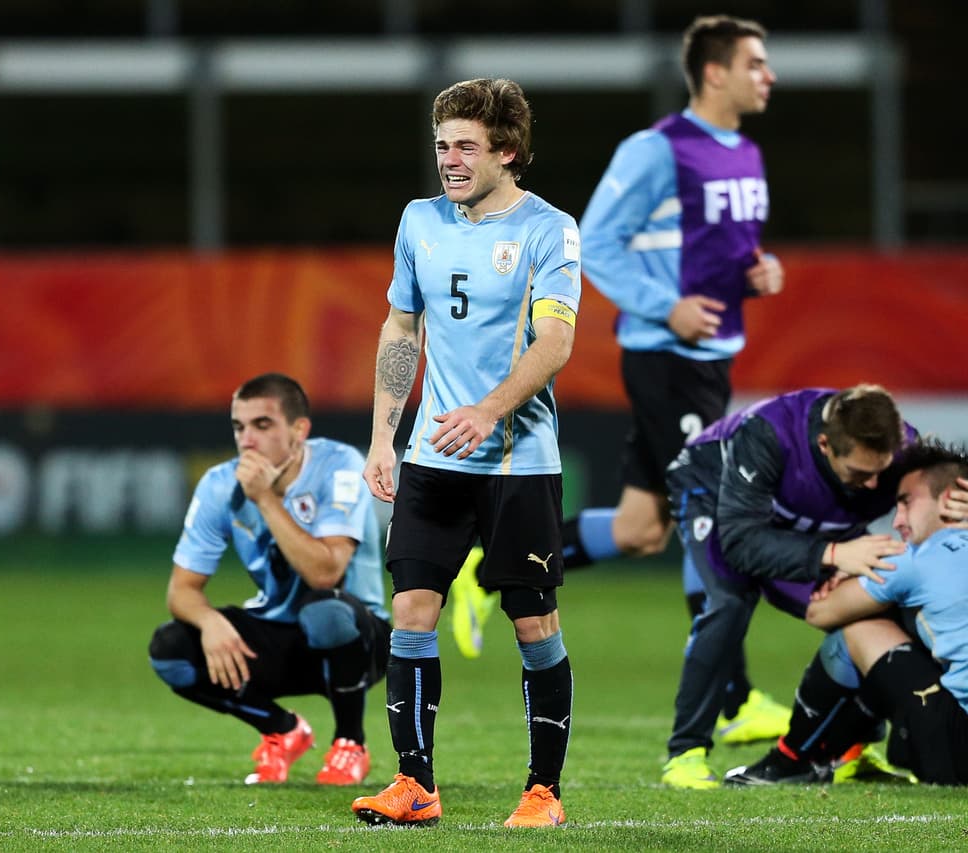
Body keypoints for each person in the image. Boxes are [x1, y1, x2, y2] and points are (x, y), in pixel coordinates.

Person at [451, 13, 789, 747]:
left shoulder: (747, 153)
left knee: (641, 528)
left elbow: (724, 247)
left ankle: (488, 571)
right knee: (717, 515)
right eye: (755, 63)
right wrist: (663, 305)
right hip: (667, 362)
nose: (769, 75)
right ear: (713, 72)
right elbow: (594, 239)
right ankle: (733, 700)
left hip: (710, 360)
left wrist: (758, 273)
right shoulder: (657, 150)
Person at [349, 78, 580, 830]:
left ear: (506, 151)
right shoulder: (419, 221)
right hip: (432, 459)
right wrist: (384, 435)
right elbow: (400, 329)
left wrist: (488, 409)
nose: (449, 160)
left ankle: (543, 792)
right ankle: (415, 783)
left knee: (533, 624)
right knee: (411, 611)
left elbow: (556, 340)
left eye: (466, 147)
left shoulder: (549, 230)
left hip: (518, 460)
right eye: (442, 144)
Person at [658, 384, 968, 788]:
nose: (876, 485)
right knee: (729, 601)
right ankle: (685, 755)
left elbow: (944, 517)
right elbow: (741, 544)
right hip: (717, 497)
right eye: (862, 474)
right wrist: (832, 554)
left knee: (871, 607)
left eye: (883, 470)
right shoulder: (769, 435)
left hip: (806, 524)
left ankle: (851, 749)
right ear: (824, 445)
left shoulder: (901, 450)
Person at [726, 439, 968, 786]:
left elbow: (821, 613)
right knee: (915, 622)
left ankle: (789, 761)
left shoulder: (920, 558)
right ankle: (848, 752)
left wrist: (853, 566)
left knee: (860, 628)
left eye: (906, 503)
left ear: (953, 497)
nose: (898, 521)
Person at [148, 373, 391, 786]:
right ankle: (282, 729)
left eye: (262, 425)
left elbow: (325, 572)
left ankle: (350, 743)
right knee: (170, 649)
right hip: (281, 636)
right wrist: (210, 624)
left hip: (358, 639)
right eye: (239, 427)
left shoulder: (339, 465)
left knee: (325, 610)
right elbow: (181, 590)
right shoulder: (220, 484)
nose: (247, 440)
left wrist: (265, 498)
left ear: (299, 430)